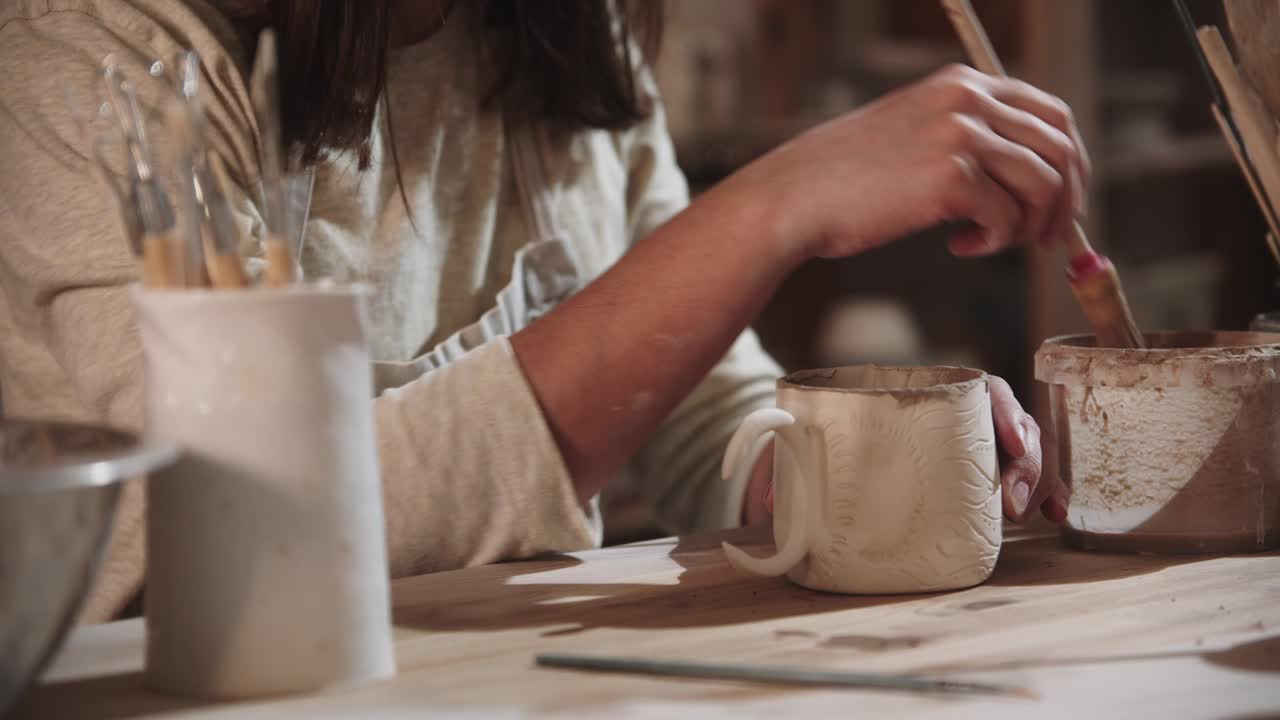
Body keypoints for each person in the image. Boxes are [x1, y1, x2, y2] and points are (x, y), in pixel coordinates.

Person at [0, 0, 1070, 623]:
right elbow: (225, 531)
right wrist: (769, 209)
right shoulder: (97, 51)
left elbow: (691, 405)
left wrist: (861, 457)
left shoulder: (563, 30)